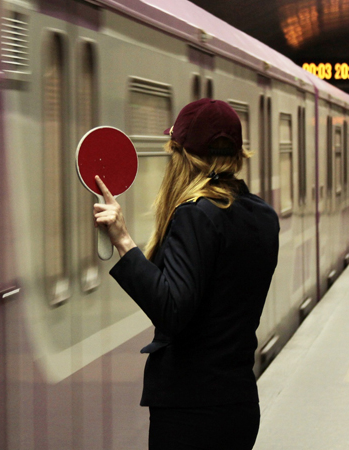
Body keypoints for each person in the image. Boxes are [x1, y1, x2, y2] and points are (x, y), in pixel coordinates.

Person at [93, 98, 280, 450]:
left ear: (183, 156)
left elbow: (173, 309)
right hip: (238, 402)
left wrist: (123, 242)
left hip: (191, 412)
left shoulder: (196, 216)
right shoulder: (263, 216)